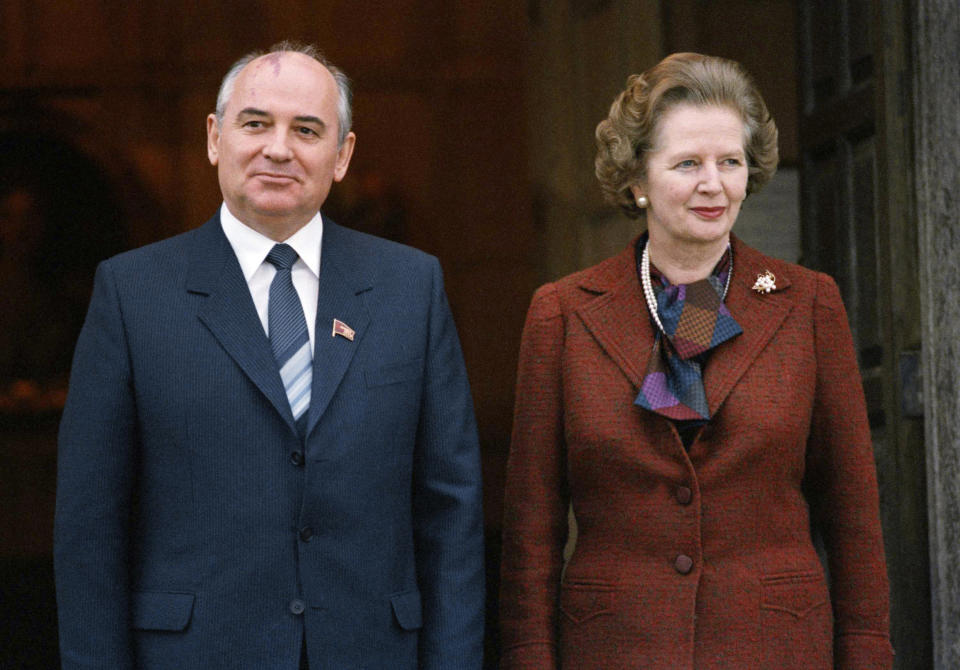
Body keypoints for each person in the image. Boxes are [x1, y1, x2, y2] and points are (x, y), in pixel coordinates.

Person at [55, 41, 485, 669]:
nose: (278, 148)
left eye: (306, 130)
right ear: (214, 138)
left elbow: (451, 511)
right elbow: (90, 527)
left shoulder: (408, 287)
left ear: (342, 156)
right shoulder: (132, 293)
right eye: (255, 123)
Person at [499, 53, 892, 669]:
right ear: (637, 180)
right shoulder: (564, 313)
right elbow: (531, 525)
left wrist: (866, 656)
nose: (714, 183)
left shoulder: (809, 304)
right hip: (615, 648)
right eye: (687, 164)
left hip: (776, 646)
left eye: (729, 162)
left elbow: (853, 514)